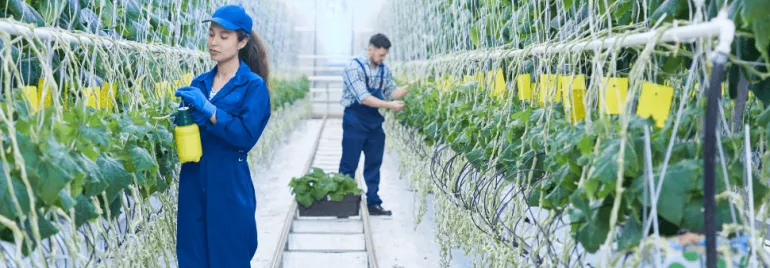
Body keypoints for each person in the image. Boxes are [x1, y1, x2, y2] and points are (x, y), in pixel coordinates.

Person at [173, 5, 271, 267]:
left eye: (224, 36)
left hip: (228, 179)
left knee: (230, 255)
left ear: (242, 41)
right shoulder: (200, 84)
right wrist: (182, 122)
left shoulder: (253, 86)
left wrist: (210, 111)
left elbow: (245, 135)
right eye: (211, 34)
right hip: (193, 176)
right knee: (192, 254)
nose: (214, 42)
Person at [338, 34, 411, 216]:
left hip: (374, 123)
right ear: (370, 49)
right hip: (354, 120)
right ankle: (344, 203)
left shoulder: (383, 69)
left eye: (385, 55)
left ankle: (373, 203)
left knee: (374, 163)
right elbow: (364, 98)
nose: (382, 58)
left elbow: (388, 92)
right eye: (380, 55)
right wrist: (390, 105)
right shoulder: (353, 67)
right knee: (349, 163)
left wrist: (402, 91)